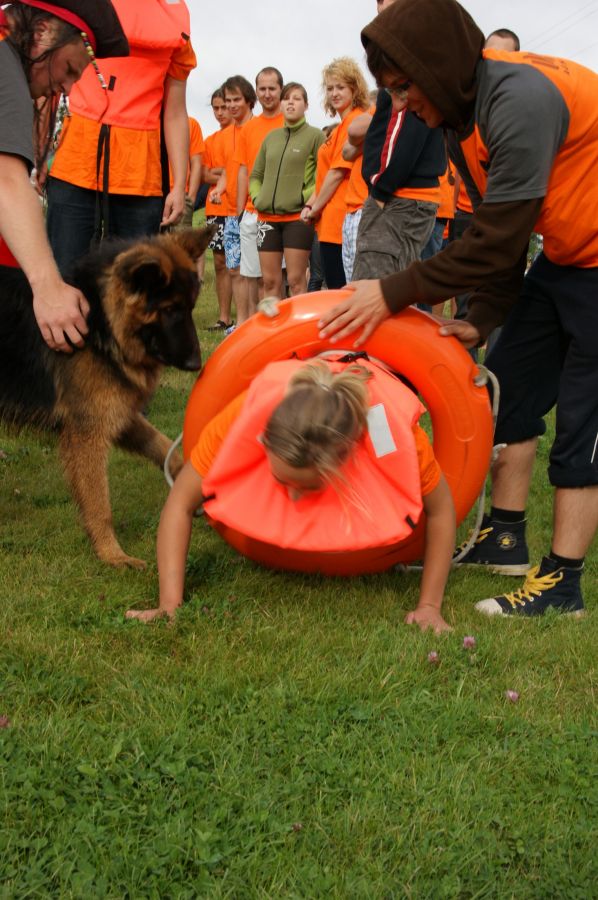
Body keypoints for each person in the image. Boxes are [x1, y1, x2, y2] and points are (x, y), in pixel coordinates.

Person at [318, 0, 598, 618]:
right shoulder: (458, 117)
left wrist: (390, 290)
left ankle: (565, 585)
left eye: (403, 86)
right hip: (567, 253)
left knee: (583, 417)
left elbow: (499, 237)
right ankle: (505, 539)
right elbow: (492, 233)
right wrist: (487, 314)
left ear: (438, 64)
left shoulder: (518, 100)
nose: (400, 103)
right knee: (512, 389)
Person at [126, 358, 456, 633]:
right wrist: (169, 605)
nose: (294, 499)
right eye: (281, 480)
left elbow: (441, 510)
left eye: (308, 486)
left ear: (348, 460)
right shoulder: (239, 420)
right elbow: (180, 503)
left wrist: (429, 606)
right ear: (262, 441)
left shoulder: (393, 437)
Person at [0, 0, 127, 353]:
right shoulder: (5, 63)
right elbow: (5, 181)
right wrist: (48, 287)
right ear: (40, 34)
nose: (69, 89)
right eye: (70, 69)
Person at [45, 0, 196, 275]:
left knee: (134, 283)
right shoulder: (81, 8)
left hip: (139, 175)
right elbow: (49, 82)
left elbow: (175, 113)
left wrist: (178, 185)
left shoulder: (175, 23)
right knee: (64, 274)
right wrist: (40, 153)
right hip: (75, 162)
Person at [249, 82, 325, 298]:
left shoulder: (316, 136)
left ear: (306, 105)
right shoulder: (270, 138)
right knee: (270, 281)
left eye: (297, 98)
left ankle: (298, 330)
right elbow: (255, 175)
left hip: (297, 219)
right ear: (281, 105)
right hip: (266, 218)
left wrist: (302, 198)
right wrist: (258, 197)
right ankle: (274, 330)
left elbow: (323, 175)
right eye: (286, 98)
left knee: (295, 281)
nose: (290, 102)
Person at [301, 58, 370, 289]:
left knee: (342, 290)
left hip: (342, 218)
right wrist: (311, 205)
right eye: (329, 88)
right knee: (335, 288)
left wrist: (314, 209)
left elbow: (337, 173)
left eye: (340, 87)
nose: (334, 93)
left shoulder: (356, 121)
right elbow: (323, 178)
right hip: (330, 220)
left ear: (355, 88)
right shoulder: (339, 128)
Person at [235, 67, 284, 317]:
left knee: (275, 278)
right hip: (252, 212)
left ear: (280, 90)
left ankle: (279, 325)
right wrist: (239, 209)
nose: (267, 94)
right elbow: (243, 169)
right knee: (250, 275)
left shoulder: (289, 122)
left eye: (272, 89)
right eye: (262, 89)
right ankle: (253, 327)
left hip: (282, 213)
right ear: (256, 91)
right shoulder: (249, 129)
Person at [208, 75, 255, 326]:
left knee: (254, 273)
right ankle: (242, 323)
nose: (231, 106)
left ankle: (255, 321)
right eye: (228, 101)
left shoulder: (257, 128)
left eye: (236, 100)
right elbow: (229, 170)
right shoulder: (231, 133)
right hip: (230, 213)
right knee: (234, 269)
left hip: (253, 211)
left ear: (249, 100)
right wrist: (219, 189)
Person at [202, 87, 234, 331]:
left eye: (224, 106)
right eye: (216, 108)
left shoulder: (241, 134)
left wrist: (220, 171)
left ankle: (248, 314)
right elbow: (204, 173)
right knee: (220, 263)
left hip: (237, 206)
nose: (220, 112)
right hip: (215, 208)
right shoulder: (210, 141)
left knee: (242, 266)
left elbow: (246, 166)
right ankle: (224, 317)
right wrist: (228, 171)